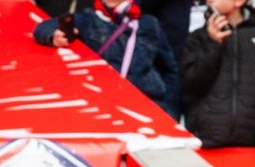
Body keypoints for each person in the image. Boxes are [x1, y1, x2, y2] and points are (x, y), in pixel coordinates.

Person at [33, 1, 181, 120]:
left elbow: (169, 70)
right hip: (105, 105)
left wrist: (170, 114)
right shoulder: (88, 19)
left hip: (147, 104)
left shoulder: (149, 24)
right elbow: (43, 27)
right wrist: (54, 36)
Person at [181, 0, 255, 157]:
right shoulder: (197, 38)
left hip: (252, 145)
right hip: (206, 141)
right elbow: (191, 84)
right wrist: (213, 43)